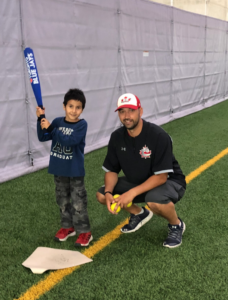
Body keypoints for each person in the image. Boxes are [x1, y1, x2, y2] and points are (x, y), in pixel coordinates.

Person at [96, 93, 186, 248]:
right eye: (122, 111)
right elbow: (111, 170)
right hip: (139, 181)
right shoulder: (117, 137)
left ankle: (176, 225)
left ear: (140, 111)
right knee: (102, 195)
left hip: (170, 181)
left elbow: (161, 177)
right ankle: (139, 213)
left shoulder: (158, 136)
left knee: (154, 201)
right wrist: (109, 192)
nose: (126, 116)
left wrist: (131, 193)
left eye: (131, 110)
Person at [36, 88, 93, 247]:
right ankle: (68, 227)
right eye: (70, 106)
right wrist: (41, 118)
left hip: (75, 172)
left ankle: (84, 232)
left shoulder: (82, 125)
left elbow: (70, 141)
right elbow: (43, 136)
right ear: (64, 106)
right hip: (59, 170)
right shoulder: (57, 122)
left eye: (78, 107)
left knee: (78, 203)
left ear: (82, 109)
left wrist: (52, 129)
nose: (74, 111)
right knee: (62, 201)